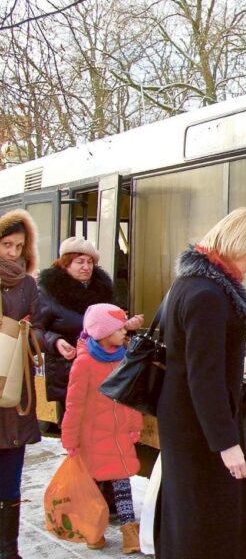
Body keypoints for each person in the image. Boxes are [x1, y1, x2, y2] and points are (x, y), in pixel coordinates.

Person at [154, 208, 246, 559]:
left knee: (190, 510)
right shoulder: (208, 295)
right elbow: (203, 377)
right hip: (199, 428)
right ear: (236, 245)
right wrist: (226, 443)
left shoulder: (190, 283)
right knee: (207, 517)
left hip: (187, 420)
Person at [60, 303, 143, 554]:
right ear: (104, 333)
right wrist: (70, 439)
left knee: (122, 484)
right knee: (93, 487)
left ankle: (129, 531)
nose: (124, 333)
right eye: (119, 329)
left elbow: (130, 395)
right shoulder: (83, 363)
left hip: (118, 435)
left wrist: (134, 424)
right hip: (91, 437)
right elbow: (73, 405)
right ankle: (94, 530)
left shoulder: (123, 357)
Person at [35, 237, 143, 424]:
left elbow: (111, 323)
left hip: (104, 368)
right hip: (68, 370)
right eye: (80, 262)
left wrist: (126, 325)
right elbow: (37, 330)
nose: (86, 267)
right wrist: (56, 341)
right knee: (75, 427)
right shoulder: (47, 292)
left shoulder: (103, 289)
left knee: (102, 429)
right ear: (65, 264)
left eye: (90, 262)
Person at [0, 209, 44, 559]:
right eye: (6, 244)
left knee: (12, 467)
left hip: (15, 388)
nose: (13, 252)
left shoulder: (29, 284)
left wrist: (32, 334)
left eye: (19, 246)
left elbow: (42, 324)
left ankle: (9, 549)